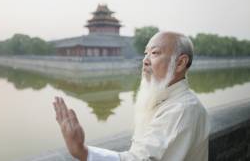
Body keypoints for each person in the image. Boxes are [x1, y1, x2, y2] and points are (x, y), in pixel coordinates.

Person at [53, 31, 210, 161]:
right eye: (145, 53)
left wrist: (83, 152)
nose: (145, 61)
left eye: (154, 53)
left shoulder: (182, 110)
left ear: (180, 63)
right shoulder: (167, 100)